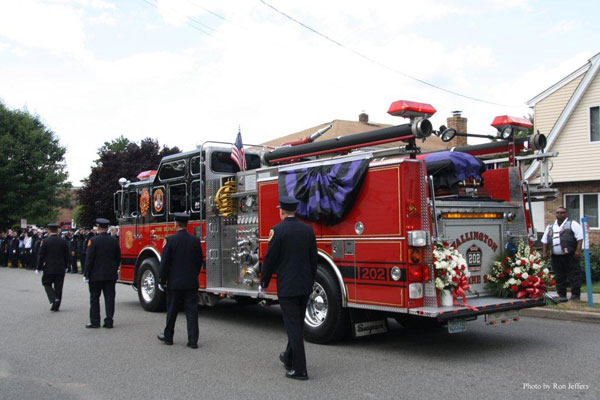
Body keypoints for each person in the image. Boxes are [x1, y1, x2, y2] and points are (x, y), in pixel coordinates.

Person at [260, 195, 318, 381]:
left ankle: (300, 370)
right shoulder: (308, 230)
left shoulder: (278, 231)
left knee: (293, 328)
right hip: (304, 285)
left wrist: (264, 282)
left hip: (288, 287)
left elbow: (270, 260)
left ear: (282, 211)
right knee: (297, 324)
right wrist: (310, 281)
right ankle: (288, 356)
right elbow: (313, 260)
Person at [157, 212, 203, 348]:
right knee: (192, 311)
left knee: (172, 310)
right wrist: (193, 274)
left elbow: (164, 263)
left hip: (174, 283)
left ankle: (168, 337)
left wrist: (162, 279)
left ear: (176, 224)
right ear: (187, 225)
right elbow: (199, 261)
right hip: (191, 282)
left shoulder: (170, 240)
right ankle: (193, 340)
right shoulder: (195, 240)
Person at [83, 218, 121, 329]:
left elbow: (89, 259)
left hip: (95, 275)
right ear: (107, 228)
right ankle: (109, 321)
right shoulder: (114, 240)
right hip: (110, 274)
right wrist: (114, 268)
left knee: (95, 298)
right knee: (109, 298)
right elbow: (118, 257)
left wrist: (86, 273)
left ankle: (95, 321)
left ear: (98, 227)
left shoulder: (93, 241)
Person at [541, 206, 584, 301]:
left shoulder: (572, 224)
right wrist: (544, 252)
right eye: (558, 212)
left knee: (574, 276)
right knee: (559, 276)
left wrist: (578, 251)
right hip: (556, 257)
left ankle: (575, 296)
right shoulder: (551, 226)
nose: (559, 214)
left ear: (566, 214)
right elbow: (545, 241)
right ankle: (561, 295)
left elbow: (580, 238)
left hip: (570, 256)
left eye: (562, 212)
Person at [36, 223, 70, 311]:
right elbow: (67, 255)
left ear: (49, 230)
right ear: (57, 230)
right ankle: (56, 305)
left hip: (49, 267)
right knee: (59, 286)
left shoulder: (45, 241)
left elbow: (41, 255)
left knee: (46, 283)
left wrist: (38, 267)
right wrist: (66, 266)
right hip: (60, 267)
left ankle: (53, 298)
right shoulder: (63, 241)